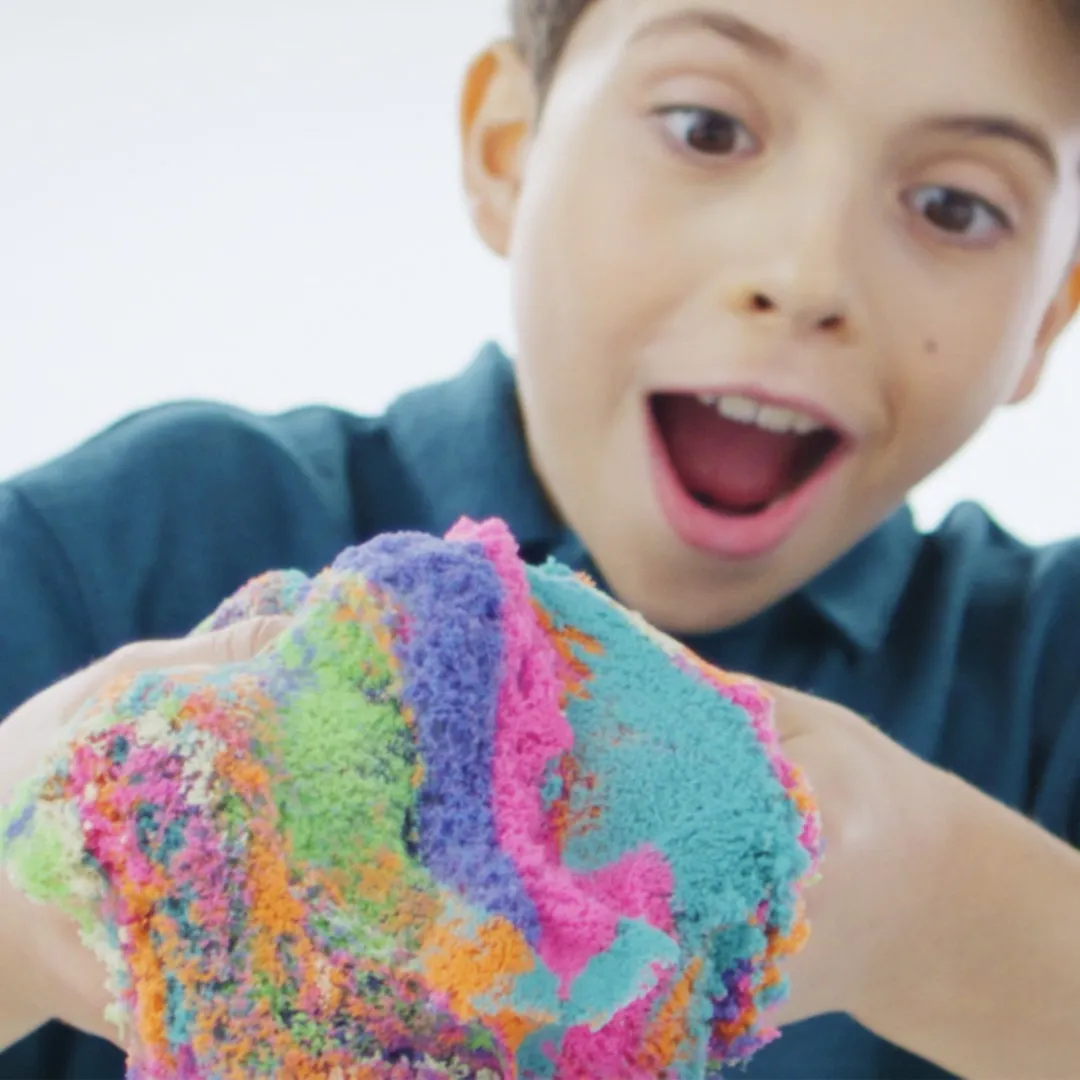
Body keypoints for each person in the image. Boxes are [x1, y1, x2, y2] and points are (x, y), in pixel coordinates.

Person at [2, 0, 1079, 1076]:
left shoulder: (1049, 677)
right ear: (509, 149)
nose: (807, 277)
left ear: (1048, 311)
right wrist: (23, 907)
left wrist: (934, 905)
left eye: (954, 206)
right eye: (708, 129)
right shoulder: (122, 546)